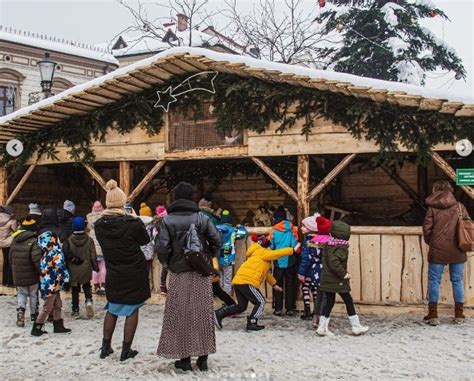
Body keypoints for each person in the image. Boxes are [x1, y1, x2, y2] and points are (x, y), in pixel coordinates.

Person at [155, 182, 222, 372]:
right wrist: (207, 256)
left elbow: (162, 248)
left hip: (178, 272)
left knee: (180, 314)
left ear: (176, 198)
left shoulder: (167, 221)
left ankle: (184, 359)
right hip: (200, 272)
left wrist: (169, 264)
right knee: (202, 314)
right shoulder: (201, 218)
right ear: (192, 197)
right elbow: (217, 240)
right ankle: (203, 358)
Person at [94, 180, 150, 362]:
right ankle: (126, 350)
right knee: (132, 308)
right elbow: (145, 240)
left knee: (113, 307)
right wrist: (134, 218)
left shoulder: (100, 225)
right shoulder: (131, 223)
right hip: (134, 269)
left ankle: (105, 346)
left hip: (114, 269)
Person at [214, 234, 297, 331]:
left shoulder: (257, 254)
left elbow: (266, 274)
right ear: (266, 247)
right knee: (261, 301)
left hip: (239, 281)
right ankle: (252, 322)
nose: (270, 248)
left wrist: (274, 285)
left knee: (241, 306)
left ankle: (219, 314)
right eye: (270, 246)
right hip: (247, 282)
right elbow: (277, 254)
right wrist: (292, 250)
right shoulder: (262, 252)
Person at [422, 180, 471, 325]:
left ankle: (433, 316)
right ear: (450, 190)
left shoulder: (432, 208)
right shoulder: (460, 207)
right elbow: (468, 224)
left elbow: (426, 230)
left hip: (437, 250)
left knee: (434, 281)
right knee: (457, 281)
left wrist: (432, 242)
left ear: (435, 190)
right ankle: (459, 315)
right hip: (458, 249)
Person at [317, 220, 369, 336]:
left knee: (329, 302)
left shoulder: (329, 244)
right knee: (348, 300)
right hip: (337, 280)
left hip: (327, 278)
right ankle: (356, 326)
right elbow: (334, 262)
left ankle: (322, 327)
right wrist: (343, 274)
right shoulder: (341, 247)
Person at [31, 231, 71, 336]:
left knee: (58, 304)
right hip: (52, 284)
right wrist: (66, 279)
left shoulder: (46, 253)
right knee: (47, 308)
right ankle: (37, 327)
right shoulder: (56, 252)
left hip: (48, 283)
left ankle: (58, 325)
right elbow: (61, 267)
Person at [10, 215, 42, 327]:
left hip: (18, 273)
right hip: (32, 274)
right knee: (33, 294)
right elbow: (36, 259)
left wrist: (14, 269)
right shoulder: (34, 241)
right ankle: (34, 314)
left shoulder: (15, 240)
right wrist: (41, 270)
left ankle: (20, 311)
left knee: (21, 294)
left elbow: (10, 257)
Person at [269, 206, 299, 316]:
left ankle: (278, 308)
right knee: (290, 284)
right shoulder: (292, 229)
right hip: (290, 260)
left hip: (278, 261)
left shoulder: (273, 231)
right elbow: (294, 245)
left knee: (277, 284)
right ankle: (290, 308)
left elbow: (271, 246)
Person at [68, 216, 99, 319]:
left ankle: (75, 310)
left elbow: (67, 255)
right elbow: (93, 255)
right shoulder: (89, 240)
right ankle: (89, 301)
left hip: (73, 269)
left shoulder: (69, 240)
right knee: (86, 286)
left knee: (75, 290)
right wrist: (95, 267)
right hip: (86, 268)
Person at [297, 214, 323, 326]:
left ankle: (307, 310)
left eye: (304, 226)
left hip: (308, 270)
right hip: (318, 270)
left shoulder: (307, 241)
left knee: (306, 288)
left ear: (310, 228)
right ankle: (316, 312)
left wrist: (301, 272)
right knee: (316, 289)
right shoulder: (320, 239)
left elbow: (305, 258)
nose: (301, 228)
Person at [216, 210, 248, 294]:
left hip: (216, 256)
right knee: (227, 279)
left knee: (219, 277)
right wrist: (240, 226)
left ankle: (220, 296)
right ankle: (226, 299)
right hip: (228, 256)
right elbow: (244, 233)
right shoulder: (233, 230)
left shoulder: (215, 228)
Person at [87, 201, 106, 294]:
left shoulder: (89, 219)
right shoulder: (104, 218)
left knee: (95, 268)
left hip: (94, 248)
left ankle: (96, 286)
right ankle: (103, 285)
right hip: (102, 247)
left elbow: (87, 230)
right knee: (103, 267)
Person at [0, 205, 18, 286]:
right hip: (9, 244)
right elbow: (17, 231)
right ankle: (9, 281)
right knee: (10, 262)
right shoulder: (12, 221)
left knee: (5, 262)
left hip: (2, 243)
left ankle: (4, 281)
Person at [154, 205, 169, 294]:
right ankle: (165, 286)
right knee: (169, 266)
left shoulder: (156, 223)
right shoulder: (169, 222)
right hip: (168, 247)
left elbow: (154, 236)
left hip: (160, 248)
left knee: (165, 266)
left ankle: (163, 286)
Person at [139, 203, 155, 273]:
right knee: (149, 268)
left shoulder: (137, 223)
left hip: (140, 251)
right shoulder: (152, 224)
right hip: (150, 250)